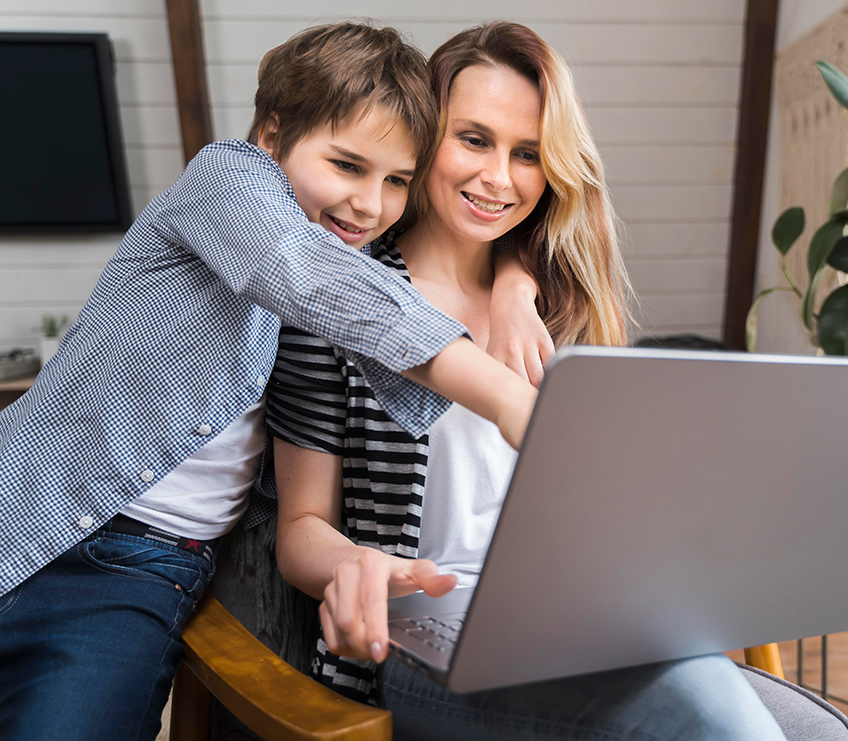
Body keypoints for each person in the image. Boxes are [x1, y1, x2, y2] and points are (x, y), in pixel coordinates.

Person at [239, 21, 788, 740]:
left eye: (527, 153)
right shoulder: (339, 300)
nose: (498, 178)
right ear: (423, 134)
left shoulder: (562, 308)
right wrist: (354, 565)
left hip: (580, 617)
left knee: (695, 692)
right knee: (700, 710)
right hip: (420, 638)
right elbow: (302, 529)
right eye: (474, 138)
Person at [0, 22, 544, 741]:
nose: (368, 203)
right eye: (347, 165)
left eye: (396, 181)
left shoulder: (360, 272)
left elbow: (402, 276)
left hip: (142, 574)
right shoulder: (227, 179)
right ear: (271, 135)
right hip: (27, 497)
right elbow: (303, 273)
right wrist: (510, 399)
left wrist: (515, 279)